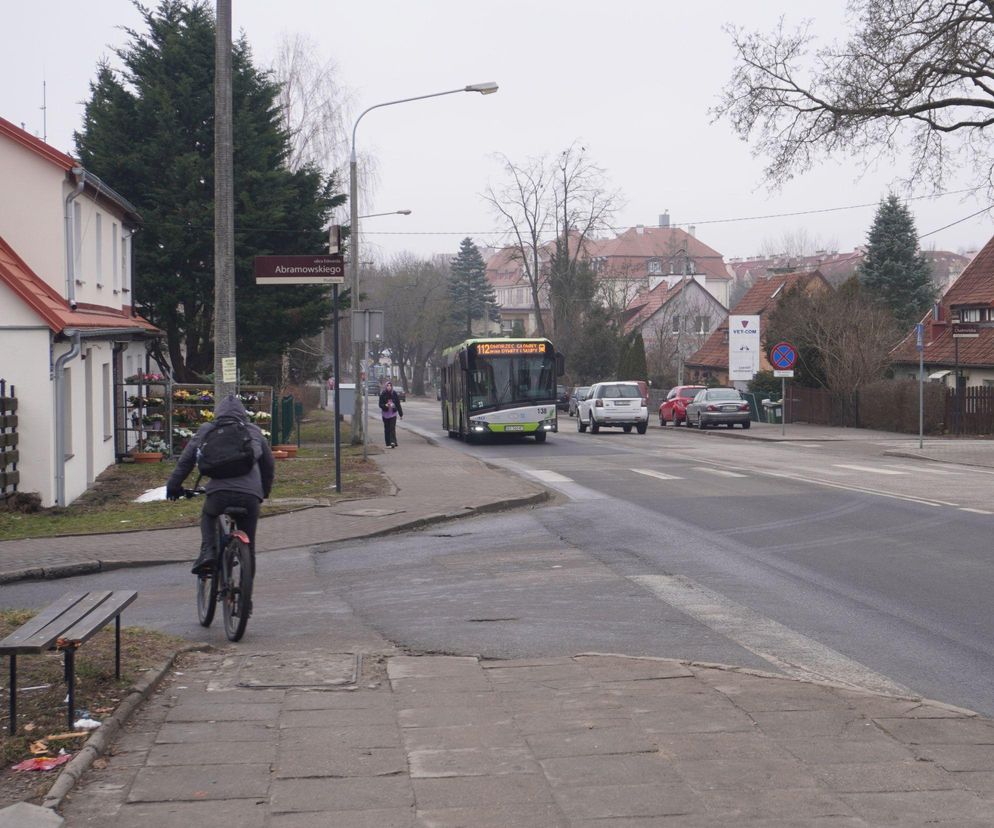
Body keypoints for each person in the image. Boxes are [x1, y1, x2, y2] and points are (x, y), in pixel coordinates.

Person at [166, 395, 275, 574]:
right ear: (242, 413)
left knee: (209, 515)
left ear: (218, 413)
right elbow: (268, 465)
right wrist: (264, 491)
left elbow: (187, 459)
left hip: (218, 494)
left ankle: (209, 551)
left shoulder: (207, 429)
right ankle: (246, 600)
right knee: (250, 548)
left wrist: (173, 486)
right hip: (250, 496)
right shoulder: (253, 430)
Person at [378, 380, 403, 448]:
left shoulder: (394, 393)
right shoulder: (383, 394)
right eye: (388, 386)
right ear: (385, 386)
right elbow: (380, 404)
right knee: (387, 429)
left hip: (393, 413)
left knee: (392, 428)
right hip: (385, 414)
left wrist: (401, 414)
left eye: (390, 386)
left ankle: (393, 442)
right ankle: (388, 443)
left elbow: (398, 404)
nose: (389, 387)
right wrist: (385, 405)